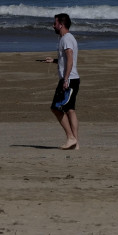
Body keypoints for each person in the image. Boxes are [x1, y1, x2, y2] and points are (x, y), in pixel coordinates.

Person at [43, 13, 80, 150]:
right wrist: (54, 61)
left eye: (55, 23)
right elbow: (66, 60)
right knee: (70, 110)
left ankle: (71, 138)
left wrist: (65, 79)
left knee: (55, 108)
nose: (53, 26)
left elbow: (70, 59)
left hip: (69, 79)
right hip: (71, 78)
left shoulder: (66, 39)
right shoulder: (66, 39)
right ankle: (75, 143)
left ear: (61, 24)